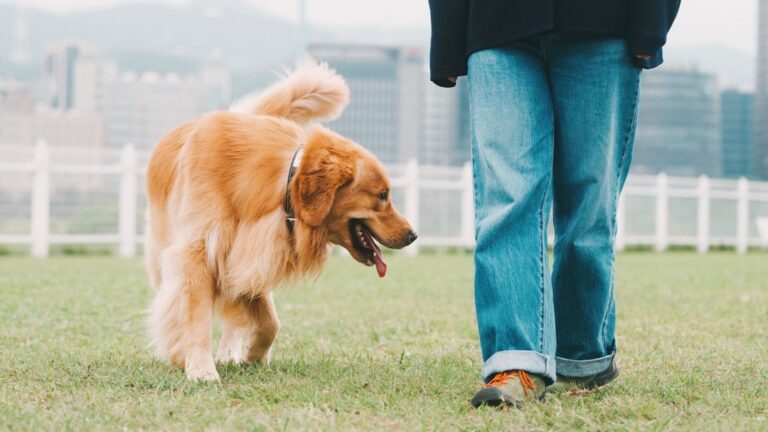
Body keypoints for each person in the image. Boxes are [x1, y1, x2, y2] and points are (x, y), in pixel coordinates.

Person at [427, 0, 681, 407]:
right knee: (507, 198)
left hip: (604, 25)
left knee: (589, 204)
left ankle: (582, 356)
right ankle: (515, 363)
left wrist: (651, 21)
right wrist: (448, 37)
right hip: (496, 26)